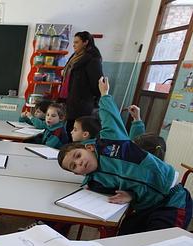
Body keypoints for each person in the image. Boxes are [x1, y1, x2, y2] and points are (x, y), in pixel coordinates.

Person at [57, 77, 192, 235]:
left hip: (172, 198)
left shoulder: (109, 143)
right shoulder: (96, 181)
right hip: (146, 205)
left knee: (157, 239)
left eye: (78, 155)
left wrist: (104, 94)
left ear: (89, 147)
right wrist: (131, 195)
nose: (79, 162)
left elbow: (110, 119)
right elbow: (124, 188)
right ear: (76, 174)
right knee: (122, 236)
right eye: (74, 166)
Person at [59, 31, 103, 136]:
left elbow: (96, 83)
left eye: (77, 42)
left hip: (81, 103)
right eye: (73, 42)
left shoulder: (92, 59)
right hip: (70, 101)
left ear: (85, 42)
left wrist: (92, 99)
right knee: (69, 130)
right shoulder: (75, 57)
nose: (73, 45)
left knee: (75, 132)